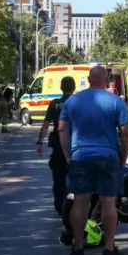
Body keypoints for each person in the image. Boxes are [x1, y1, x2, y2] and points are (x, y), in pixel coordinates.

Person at [58, 65, 128, 255]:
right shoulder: (116, 102)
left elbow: (62, 129)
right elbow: (125, 133)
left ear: (89, 79)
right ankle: (108, 249)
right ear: (106, 80)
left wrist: (68, 155)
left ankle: (78, 248)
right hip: (108, 156)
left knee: (81, 201)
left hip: (80, 156)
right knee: (108, 202)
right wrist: (123, 157)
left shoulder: (73, 101)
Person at [37, 75, 77, 217]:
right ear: (74, 88)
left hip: (58, 146)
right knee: (76, 176)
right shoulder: (77, 103)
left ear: (61, 88)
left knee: (58, 177)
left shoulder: (54, 104)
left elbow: (46, 124)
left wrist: (40, 142)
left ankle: (59, 205)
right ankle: (76, 205)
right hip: (75, 146)